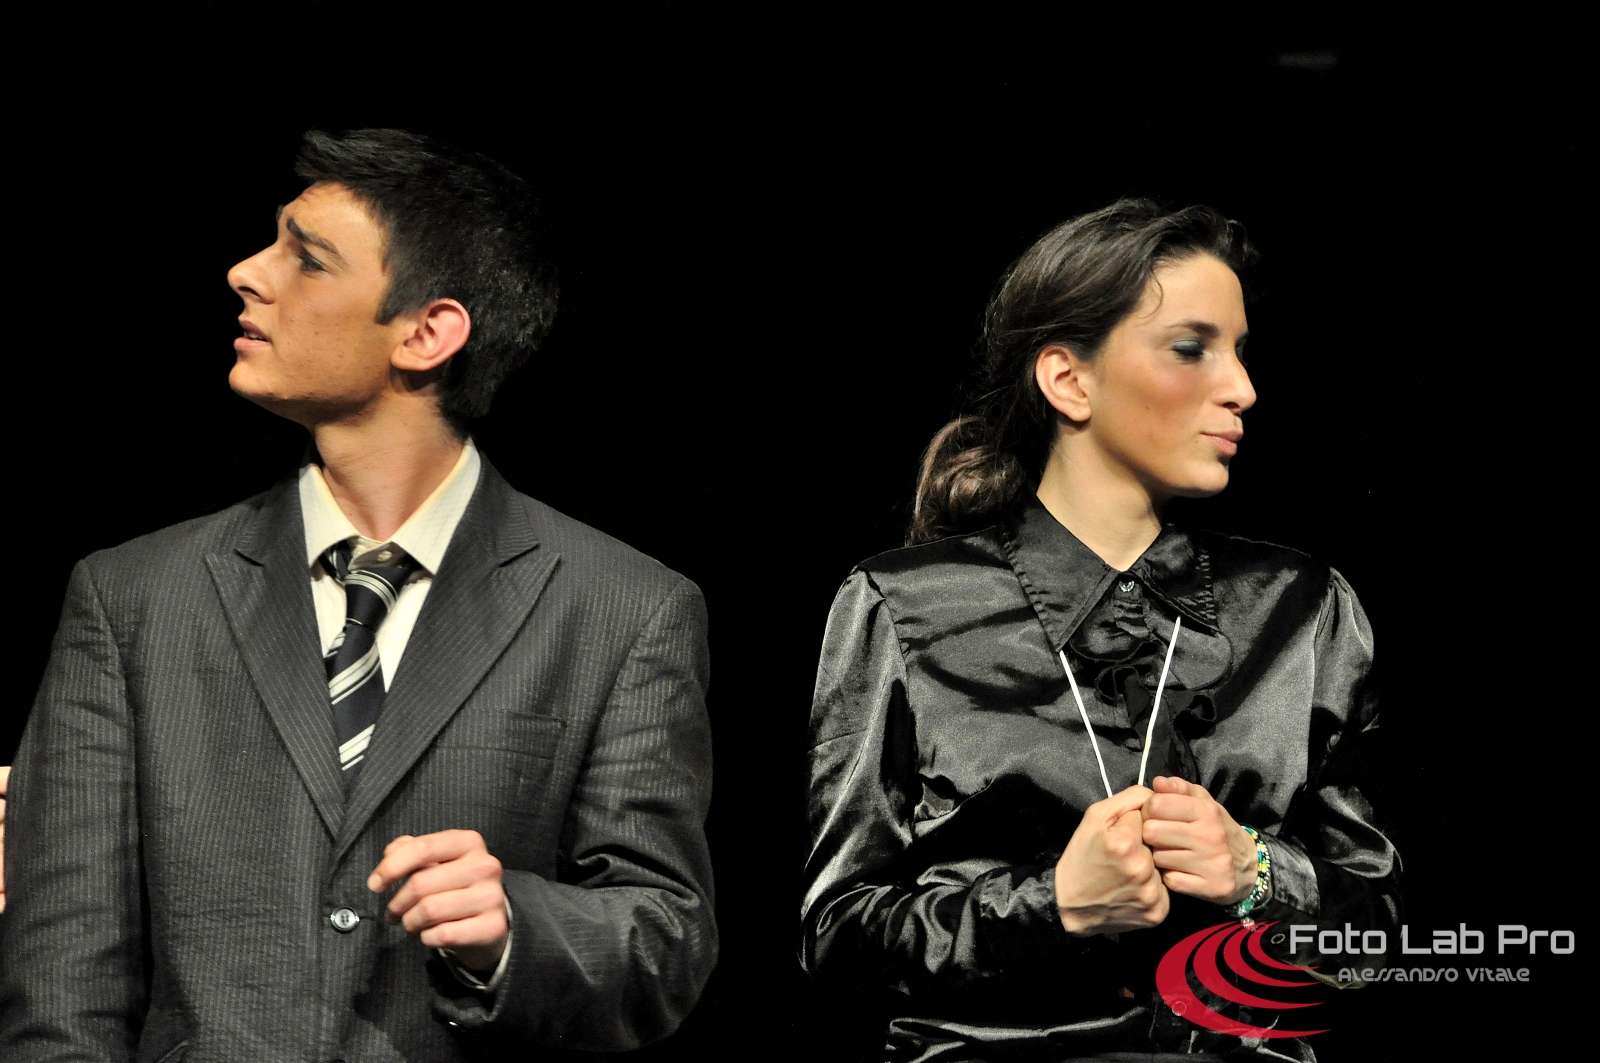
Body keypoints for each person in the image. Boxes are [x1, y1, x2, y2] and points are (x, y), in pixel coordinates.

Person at [0, 128, 717, 1061]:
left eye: (307, 259)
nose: (246, 273)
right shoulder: (133, 597)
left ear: (426, 333)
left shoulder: (621, 607)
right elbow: (64, 988)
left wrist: (514, 926)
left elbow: (663, 940)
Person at [799, 198, 1402, 1062]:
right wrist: (1052, 903)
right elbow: (837, 938)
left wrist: (1258, 872)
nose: (1242, 387)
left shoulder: (1304, 610)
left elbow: (1378, 939)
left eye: (1240, 350)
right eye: (1191, 347)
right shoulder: (902, 606)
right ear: (1068, 380)